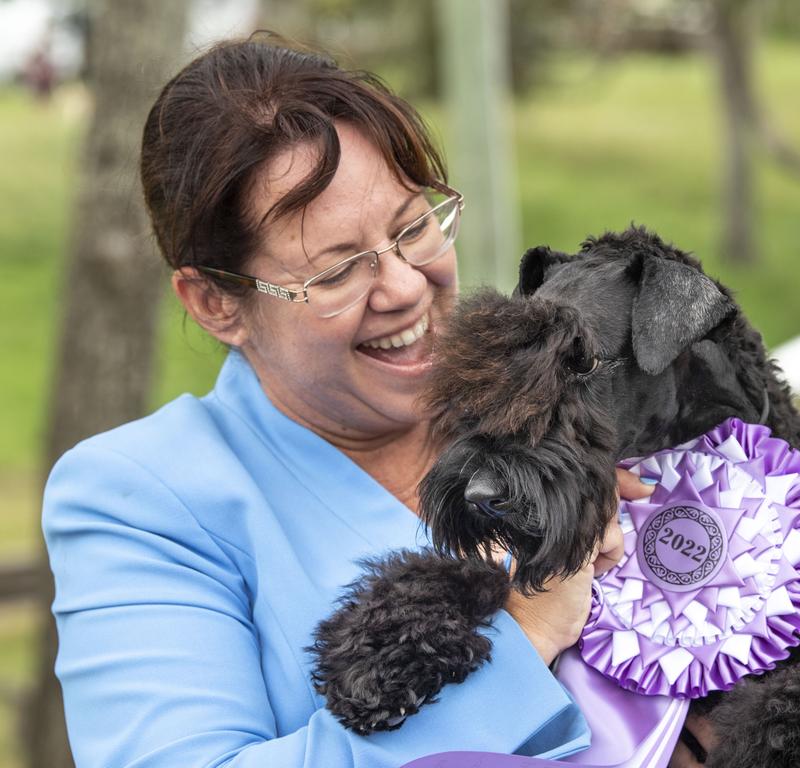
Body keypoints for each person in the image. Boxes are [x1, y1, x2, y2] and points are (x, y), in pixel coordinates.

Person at [42, 37, 645, 768]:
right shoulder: (140, 497)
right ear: (213, 303)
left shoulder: (562, 392)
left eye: (413, 227)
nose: (404, 287)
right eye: (336, 272)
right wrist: (522, 637)